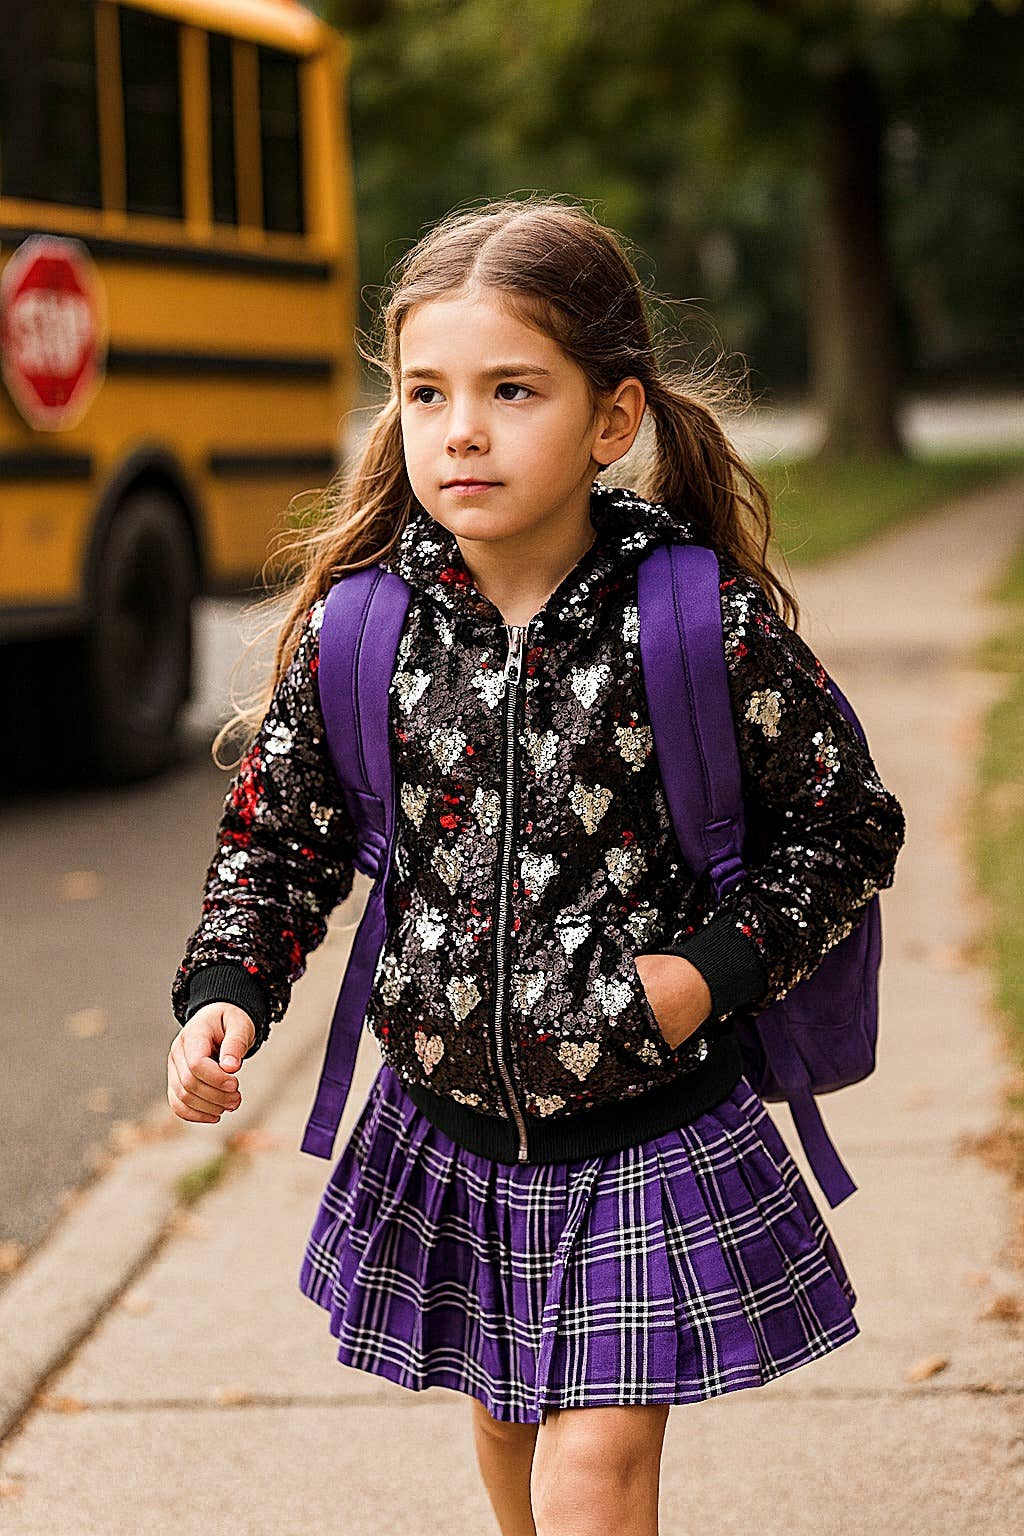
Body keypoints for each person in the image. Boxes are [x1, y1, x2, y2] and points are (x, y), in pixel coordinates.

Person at [167, 195, 906, 1536]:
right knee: (509, 1422)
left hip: (647, 1126)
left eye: (514, 390)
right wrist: (231, 983)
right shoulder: (366, 630)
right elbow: (282, 833)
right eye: (426, 392)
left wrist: (705, 972)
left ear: (611, 420)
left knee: (594, 1470)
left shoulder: (694, 625)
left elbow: (844, 823)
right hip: (450, 1130)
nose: (461, 429)